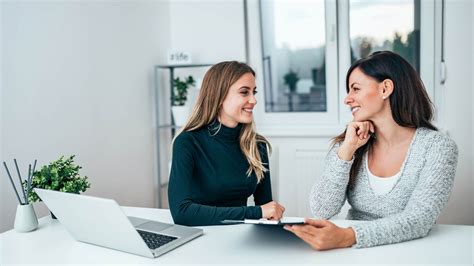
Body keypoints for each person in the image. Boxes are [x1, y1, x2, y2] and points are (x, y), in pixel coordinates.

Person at [284, 51, 458, 250]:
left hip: (409, 251)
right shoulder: (351, 142)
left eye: (355, 89)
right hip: (352, 252)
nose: (347, 99)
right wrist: (346, 151)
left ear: (385, 88)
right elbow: (322, 209)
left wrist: (347, 236)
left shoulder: (438, 147)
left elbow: (419, 219)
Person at [168, 61, 285, 226]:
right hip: (200, 238)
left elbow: (266, 210)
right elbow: (182, 213)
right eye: (244, 92)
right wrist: (255, 212)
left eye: (254, 92)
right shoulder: (187, 142)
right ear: (219, 96)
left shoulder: (256, 145)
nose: (254, 100)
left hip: (241, 237)